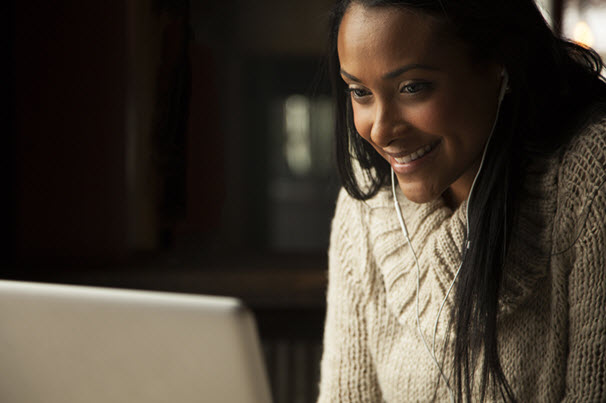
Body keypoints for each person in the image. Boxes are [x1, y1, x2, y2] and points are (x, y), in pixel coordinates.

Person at [317, 0, 606, 402]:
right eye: (360, 92)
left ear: (498, 65)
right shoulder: (368, 202)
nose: (381, 131)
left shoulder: (591, 177)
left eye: (412, 87)